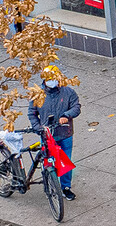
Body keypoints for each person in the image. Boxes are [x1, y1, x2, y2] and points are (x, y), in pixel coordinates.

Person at [28, 67, 82, 199]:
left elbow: (76, 107)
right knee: (48, 161)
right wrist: (38, 127)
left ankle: (65, 187)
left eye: (54, 78)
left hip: (65, 133)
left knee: (66, 161)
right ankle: (50, 186)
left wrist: (66, 115)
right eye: (49, 79)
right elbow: (32, 114)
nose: (52, 81)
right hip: (46, 134)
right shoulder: (37, 95)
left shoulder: (68, 92)